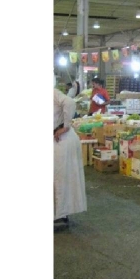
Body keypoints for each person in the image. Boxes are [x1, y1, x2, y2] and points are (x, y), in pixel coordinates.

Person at [53, 87, 87, 229]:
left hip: (61, 138)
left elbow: (70, 102)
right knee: (59, 178)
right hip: (59, 138)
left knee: (59, 177)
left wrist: (65, 126)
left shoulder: (52, 93)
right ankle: (60, 213)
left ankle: (60, 214)